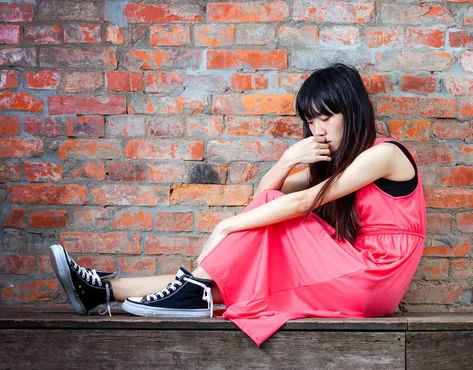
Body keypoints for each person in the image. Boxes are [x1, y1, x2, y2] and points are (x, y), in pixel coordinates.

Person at [49, 63, 427, 346]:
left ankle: (191, 289)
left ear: (354, 111)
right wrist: (287, 160)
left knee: (261, 232)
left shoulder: (386, 154)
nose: (318, 130)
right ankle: (104, 291)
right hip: (349, 273)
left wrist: (226, 226)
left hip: (371, 280)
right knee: (235, 276)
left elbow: (303, 203)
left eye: (327, 117)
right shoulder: (331, 168)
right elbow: (263, 196)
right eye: (311, 120)